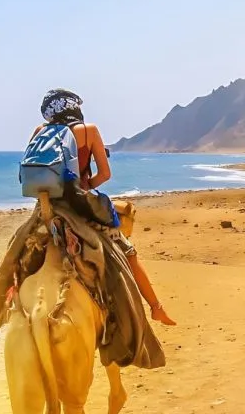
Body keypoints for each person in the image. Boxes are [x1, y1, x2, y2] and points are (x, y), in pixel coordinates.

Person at [35, 88, 176, 326]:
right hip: (80, 207)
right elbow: (105, 174)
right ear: (73, 107)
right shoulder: (88, 131)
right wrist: (86, 185)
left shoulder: (40, 132)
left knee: (18, 252)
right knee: (127, 251)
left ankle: (4, 305)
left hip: (46, 208)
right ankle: (155, 307)